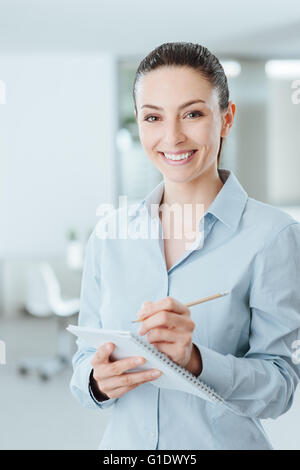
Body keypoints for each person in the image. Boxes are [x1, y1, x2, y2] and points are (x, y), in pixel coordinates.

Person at [70, 42, 300, 450]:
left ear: (226, 119)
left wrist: (196, 361)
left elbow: (279, 388)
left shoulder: (273, 236)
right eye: (153, 117)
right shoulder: (109, 235)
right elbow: (82, 364)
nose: (172, 137)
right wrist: (96, 381)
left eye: (193, 114)